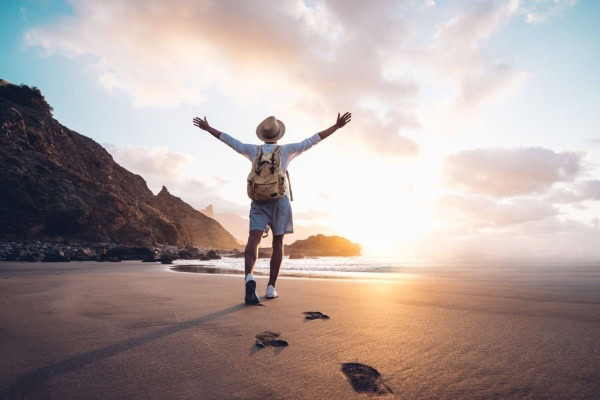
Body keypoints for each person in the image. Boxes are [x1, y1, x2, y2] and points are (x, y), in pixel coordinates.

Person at [193, 112, 352, 304]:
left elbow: (229, 140)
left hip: (258, 201)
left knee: (254, 239)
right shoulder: (286, 151)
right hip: (280, 201)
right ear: (277, 135)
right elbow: (312, 140)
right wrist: (335, 127)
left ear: (263, 135)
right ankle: (270, 288)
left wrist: (208, 128)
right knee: (278, 241)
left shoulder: (253, 150)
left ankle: (249, 278)